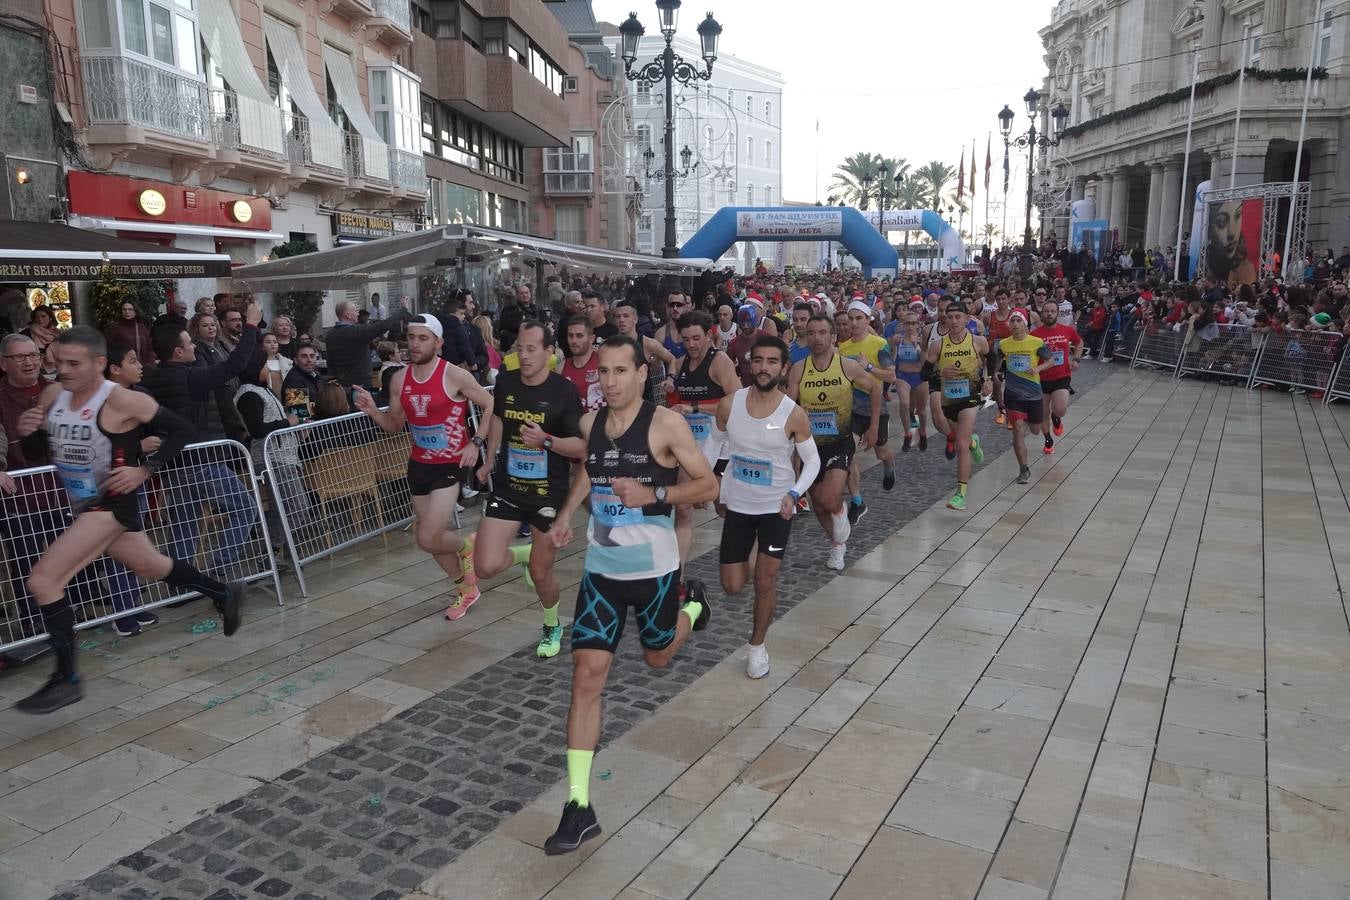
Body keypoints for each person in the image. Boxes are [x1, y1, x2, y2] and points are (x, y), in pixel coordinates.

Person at [541, 335, 718, 856]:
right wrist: (569, 513)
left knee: (658, 655)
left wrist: (656, 493)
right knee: (586, 679)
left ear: (643, 373)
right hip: (601, 571)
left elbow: (707, 485)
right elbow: (588, 470)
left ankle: (694, 606)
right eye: (604, 372)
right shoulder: (593, 424)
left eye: (621, 371)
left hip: (656, 570)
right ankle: (578, 805)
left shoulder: (666, 424)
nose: (610, 381)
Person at [12, 327, 245, 714]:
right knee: (151, 565)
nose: (62, 371)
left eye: (74, 364)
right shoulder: (53, 395)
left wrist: (146, 469)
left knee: (43, 580)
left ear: (100, 364)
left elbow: (181, 430)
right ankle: (223, 593)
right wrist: (30, 432)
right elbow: (43, 450)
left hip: (112, 505)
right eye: (58, 363)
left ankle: (67, 679)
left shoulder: (122, 400)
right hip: (83, 505)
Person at [353, 315, 493, 620]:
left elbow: (491, 404)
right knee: (430, 540)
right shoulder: (399, 379)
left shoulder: (454, 375)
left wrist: (477, 442)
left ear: (439, 343)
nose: (414, 344)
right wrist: (374, 412)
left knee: (428, 536)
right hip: (418, 463)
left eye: (423, 338)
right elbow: (394, 425)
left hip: (449, 464)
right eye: (411, 337)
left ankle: (467, 546)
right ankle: (465, 589)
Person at [468, 321, 585, 659]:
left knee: (541, 571)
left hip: (548, 494)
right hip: (508, 487)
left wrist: (546, 440)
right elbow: (501, 420)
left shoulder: (563, 391)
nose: (525, 354)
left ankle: (552, 624)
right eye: (520, 348)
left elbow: (581, 448)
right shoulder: (505, 381)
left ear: (550, 352)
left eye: (532, 348)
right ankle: (521, 554)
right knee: (486, 566)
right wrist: (489, 459)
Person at [715, 334, 819, 679]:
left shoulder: (794, 414)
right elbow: (713, 444)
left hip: (777, 508)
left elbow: (813, 462)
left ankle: (757, 646)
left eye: (772, 362)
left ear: (783, 368)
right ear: (749, 363)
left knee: (764, 581)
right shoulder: (731, 404)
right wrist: (711, 483)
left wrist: (794, 492)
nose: (763, 368)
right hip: (738, 507)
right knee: (732, 585)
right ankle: (744, 563)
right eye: (758, 361)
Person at [143, 304, 261, 574]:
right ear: (177, 351)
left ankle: (183, 581)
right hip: (203, 462)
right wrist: (251, 325)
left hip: (176, 464)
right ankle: (221, 565)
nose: (194, 348)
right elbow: (234, 365)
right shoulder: (190, 378)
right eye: (188, 344)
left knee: (185, 523)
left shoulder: (153, 378)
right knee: (245, 507)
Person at [787, 314, 880, 571]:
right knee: (817, 503)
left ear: (833, 337)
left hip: (840, 440)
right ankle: (837, 546)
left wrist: (873, 425)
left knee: (829, 498)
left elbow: (874, 389)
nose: (817, 338)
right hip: (810, 445)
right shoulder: (798, 369)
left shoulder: (846, 366)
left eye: (822, 333)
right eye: (812, 333)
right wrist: (797, 413)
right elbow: (788, 405)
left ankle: (840, 512)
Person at [102, 343, 162, 636]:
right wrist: (138, 446)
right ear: (114, 368)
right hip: (111, 483)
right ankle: (122, 610)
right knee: (119, 545)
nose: (140, 366)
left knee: (133, 543)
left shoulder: (136, 396)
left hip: (131, 479)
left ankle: (132, 604)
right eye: (132, 360)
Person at [927, 300, 991, 511]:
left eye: (958, 317)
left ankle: (960, 494)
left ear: (966, 318)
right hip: (948, 399)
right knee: (962, 439)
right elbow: (923, 373)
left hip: (970, 397)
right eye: (950, 317)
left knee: (960, 444)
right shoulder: (938, 345)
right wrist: (939, 373)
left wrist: (989, 379)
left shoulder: (978, 341)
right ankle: (974, 443)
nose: (954, 321)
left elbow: (992, 357)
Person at [839, 299, 896, 524]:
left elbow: (891, 376)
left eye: (858, 318)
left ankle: (890, 463)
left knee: (881, 452)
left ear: (868, 320)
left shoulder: (879, 344)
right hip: (851, 409)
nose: (853, 323)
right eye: (850, 319)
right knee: (847, 455)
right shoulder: (843, 348)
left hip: (875, 408)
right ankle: (857, 501)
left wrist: (869, 368)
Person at [996, 309, 1053, 484]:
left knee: (1035, 430)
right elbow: (997, 367)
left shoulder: (1036, 342)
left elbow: (1051, 361)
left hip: (1033, 393)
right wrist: (995, 376)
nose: (1014, 324)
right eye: (1011, 321)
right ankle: (1024, 469)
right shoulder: (1004, 344)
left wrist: (1037, 369)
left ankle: (1042, 425)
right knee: (1018, 429)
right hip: (1013, 394)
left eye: (1018, 321)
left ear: (1025, 324)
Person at [1031, 300, 1083, 455]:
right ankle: (1048, 439)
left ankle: (1056, 417)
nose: (1049, 314)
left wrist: (1076, 359)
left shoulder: (1066, 330)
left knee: (1060, 409)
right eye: (1046, 311)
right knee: (1042, 412)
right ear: (1042, 313)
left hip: (1062, 376)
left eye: (1052, 311)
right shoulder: (1034, 335)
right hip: (1041, 379)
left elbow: (1079, 343)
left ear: (1057, 313)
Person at [326, 300, 410, 391]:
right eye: (355, 311)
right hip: (360, 385)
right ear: (348, 315)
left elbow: (330, 364)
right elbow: (384, 325)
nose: (358, 314)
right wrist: (403, 310)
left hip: (341, 385)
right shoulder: (356, 332)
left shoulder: (330, 334)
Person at [891, 313, 928, 452]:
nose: (910, 326)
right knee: (905, 404)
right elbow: (893, 358)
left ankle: (923, 433)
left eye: (913, 323)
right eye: (908, 323)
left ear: (918, 325)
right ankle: (907, 434)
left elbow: (925, 362)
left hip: (919, 377)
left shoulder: (921, 340)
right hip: (903, 376)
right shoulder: (898, 340)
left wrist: (916, 346)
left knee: (922, 411)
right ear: (903, 325)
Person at [560, 316, 604, 411]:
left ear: (591, 338)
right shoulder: (561, 368)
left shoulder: (604, 362)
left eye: (579, 336)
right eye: (570, 335)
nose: (574, 341)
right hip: (572, 424)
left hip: (599, 423)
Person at [282, 343, 322, 421]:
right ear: (296, 360)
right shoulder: (293, 380)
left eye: (312, 356)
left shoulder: (316, 375)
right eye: (304, 356)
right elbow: (299, 414)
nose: (309, 360)